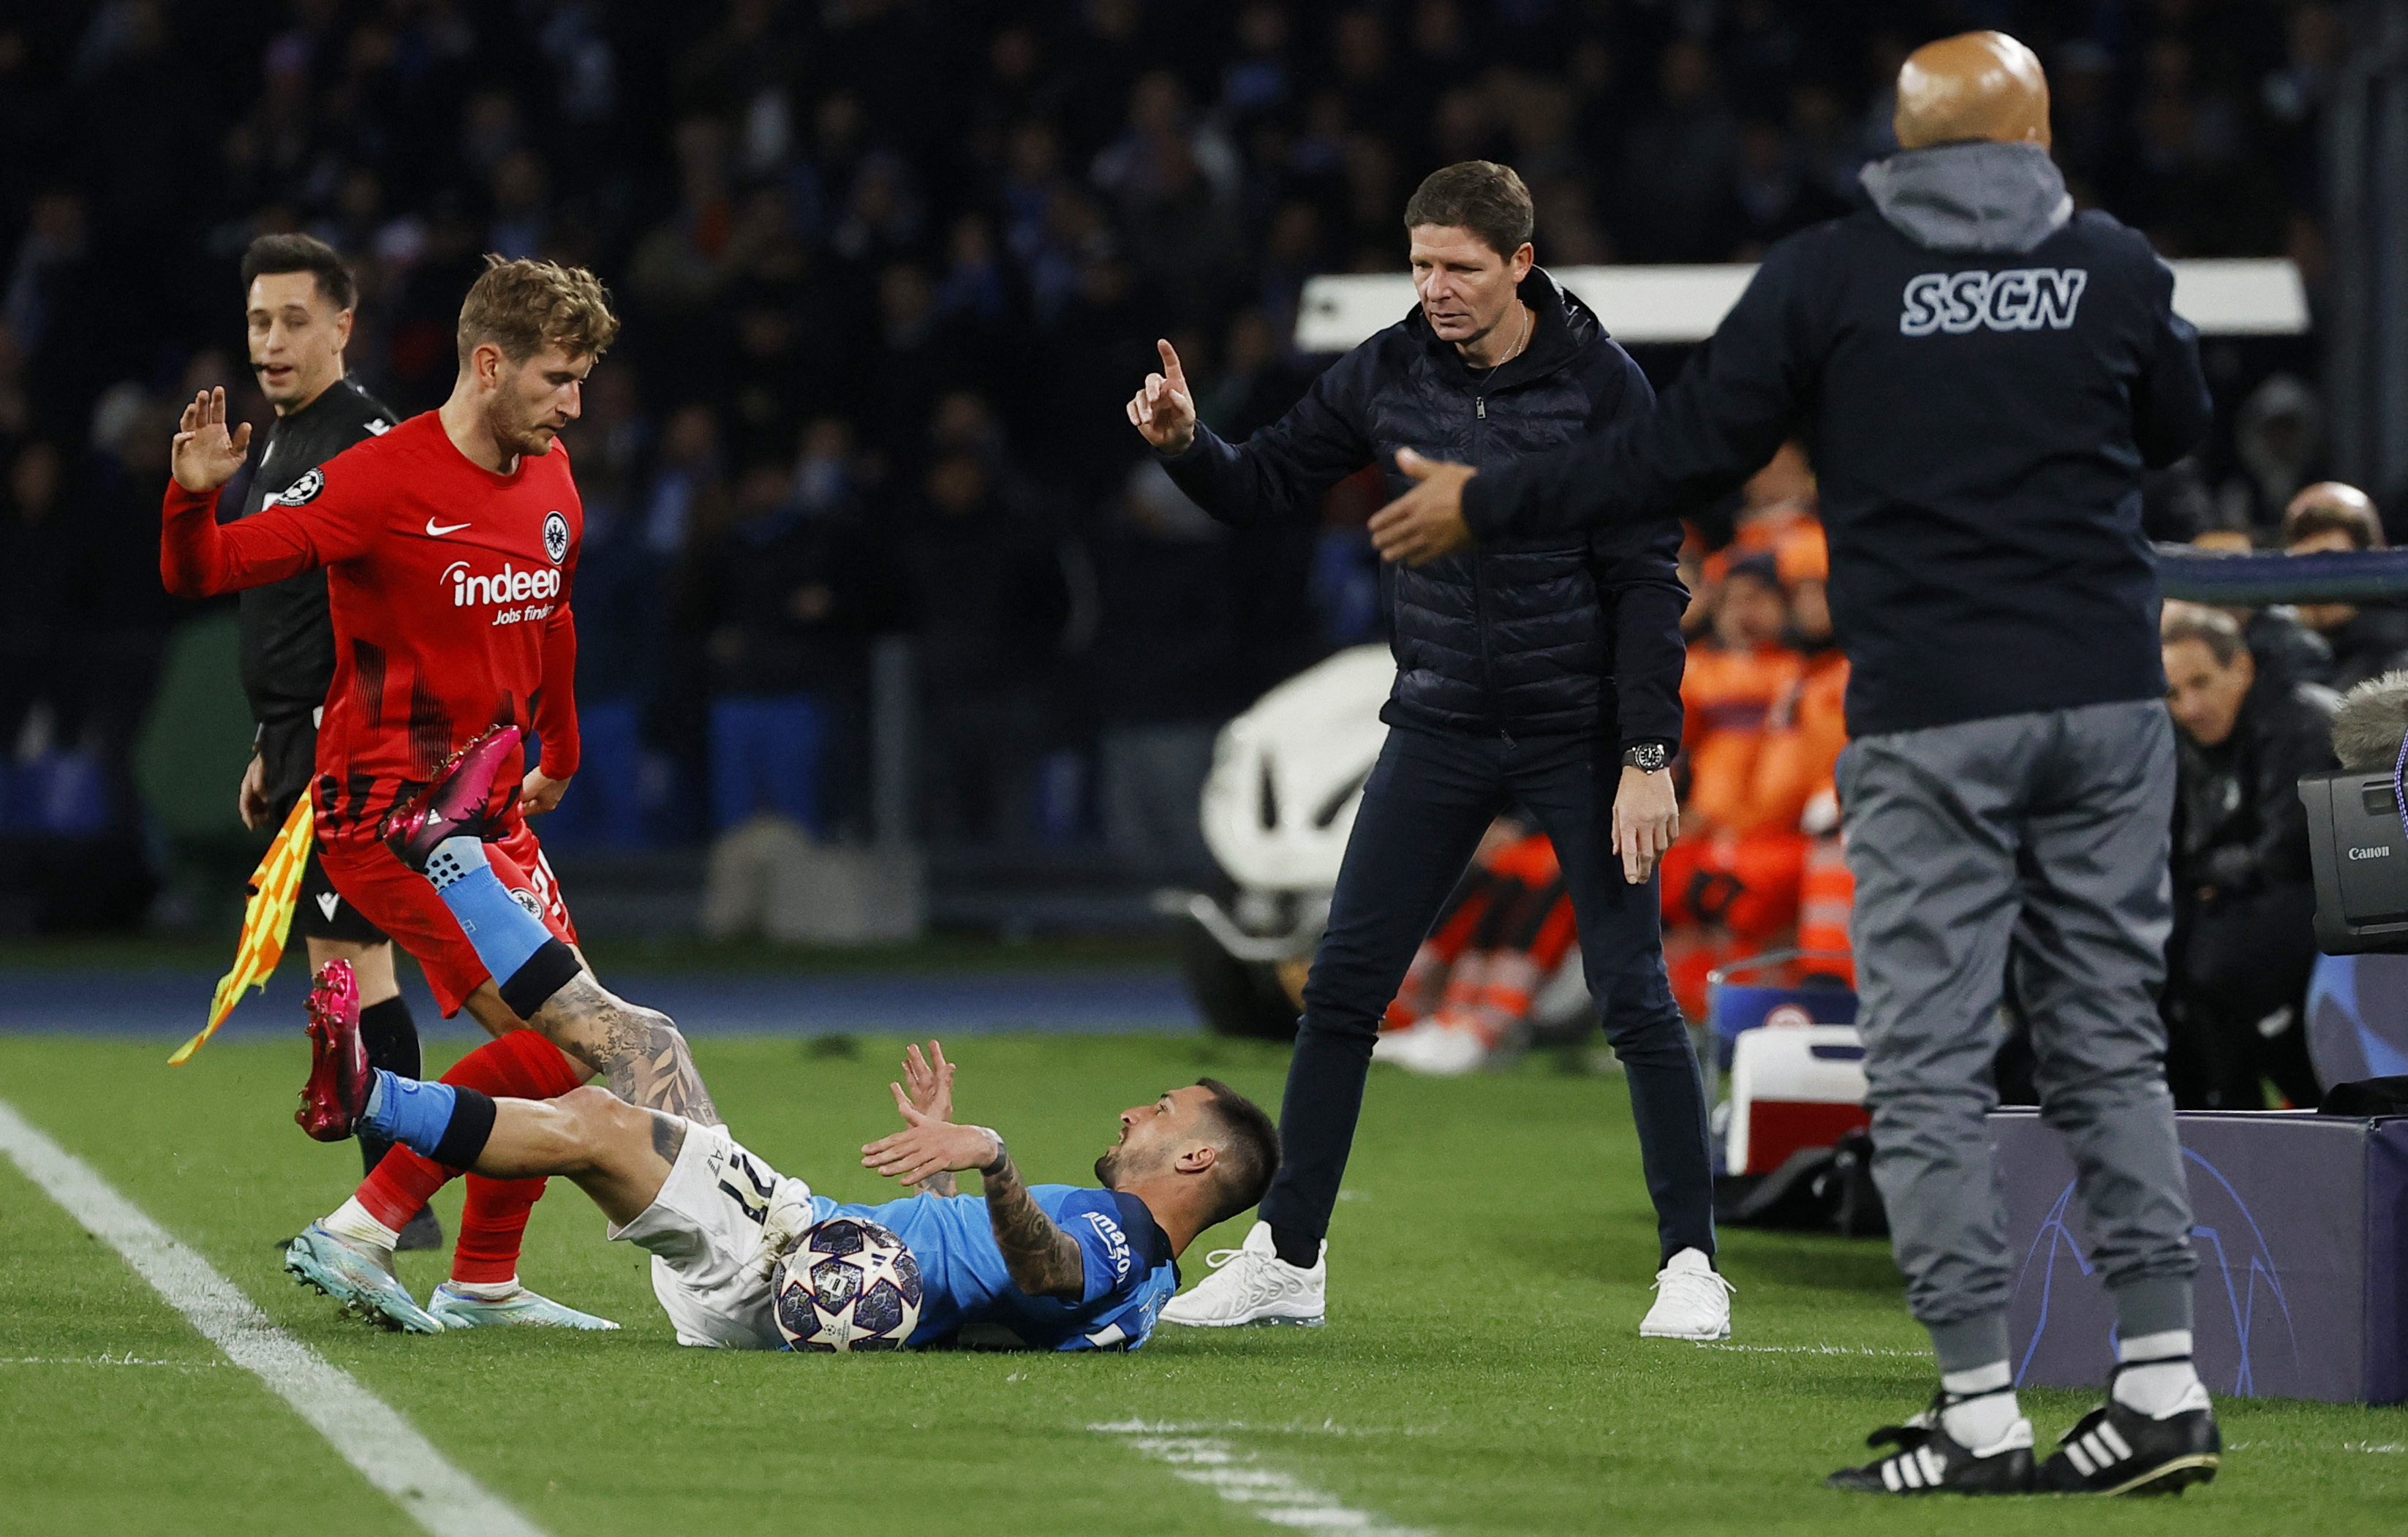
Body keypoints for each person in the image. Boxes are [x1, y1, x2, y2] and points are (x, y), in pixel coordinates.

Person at [1365, 33, 2220, 1497]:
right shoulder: (2112, 265)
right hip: (2103, 700)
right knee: (2106, 1043)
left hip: (1932, 712)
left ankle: (1977, 1413)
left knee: (1929, 1063)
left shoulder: (1831, 275)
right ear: (2034, 137)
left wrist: (1488, 499)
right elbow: (2175, 429)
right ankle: (2157, 1385)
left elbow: (1678, 453)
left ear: (1900, 143)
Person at [1126, 160, 1725, 1340]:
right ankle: (1289, 1261)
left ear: (1520, 265)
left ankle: (1691, 1265)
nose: (1435, 288)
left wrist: (1647, 753)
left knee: (1633, 995)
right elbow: (1262, 485)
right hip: (1440, 724)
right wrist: (1189, 444)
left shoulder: (1604, 385)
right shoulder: (1385, 370)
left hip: (1577, 734)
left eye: (1458, 267)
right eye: (1418, 266)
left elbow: (1647, 579)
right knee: (1342, 988)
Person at [288, 724, 1278, 1352]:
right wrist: (941, 1177)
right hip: (799, 1257)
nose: (1133, 1111)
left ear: (1196, 1157)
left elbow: (1049, 1271)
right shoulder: (1143, 1284)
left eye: (1161, 1110)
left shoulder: (1124, 1236)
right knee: (624, 1069)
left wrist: (992, 1155)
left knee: (620, 1074)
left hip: (782, 1262)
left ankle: (430, 915)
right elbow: (981, 1289)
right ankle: (431, 921)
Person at [159, 256, 620, 1333]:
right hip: (390, 820)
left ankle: (484, 1280)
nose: (574, 405)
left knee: (580, 1039)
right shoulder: (380, 478)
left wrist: (559, 750)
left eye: (582, 380)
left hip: (488, 808)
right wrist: (191, 497)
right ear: (489, 364)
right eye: (557, 379)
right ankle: (365, 1224)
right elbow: (206, 569)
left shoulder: (550, 473)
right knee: (573, 1038)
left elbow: (551, 616)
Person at [222, 234, 437, 1245]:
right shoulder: (280, 440)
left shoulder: (365, 442)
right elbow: (291, 610)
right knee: (344, 964)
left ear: (343, 326)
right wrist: (270, 737)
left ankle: (396, 1204)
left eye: (294, 320)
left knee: (353, 962)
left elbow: (401, 602)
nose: (271, 341)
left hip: (351, 746)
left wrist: (340, 732)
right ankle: (393, 1202)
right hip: (299, 739)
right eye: (259, 321)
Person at [2159, 605, 2333, 1110]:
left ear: (2241, 667)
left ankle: (2273, 1104)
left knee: (2218, 962)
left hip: (2318, 899)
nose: (2190, 707)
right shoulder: (2185, 743)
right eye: (2173, 693)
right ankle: (2206, 1115)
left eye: (2200, 683)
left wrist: (2212, 870)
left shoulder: (2300, 724)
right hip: (2244, 895)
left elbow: (2288, 851)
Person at [2279, 482, 2408, 692]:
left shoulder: (2397, 663)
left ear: (2371, 565)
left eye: (2331, 567)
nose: (2316, 585)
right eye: (2302, 567)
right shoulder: (2271, 653)